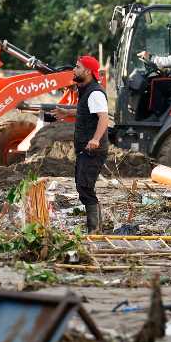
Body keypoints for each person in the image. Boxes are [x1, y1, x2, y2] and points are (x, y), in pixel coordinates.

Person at [53, 55, 109, 233]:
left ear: (87, 71)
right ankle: (97, 226)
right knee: (83, 186)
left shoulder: (95, 92)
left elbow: (103, 118)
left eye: (77, 67)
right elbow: (85, 110)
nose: (74, 70)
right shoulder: (86, 91)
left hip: (93, 149)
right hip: (85, 148)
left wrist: (95, 139)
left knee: (84, 187)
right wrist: (66, 112)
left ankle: (94, 229)